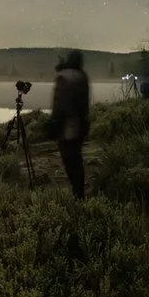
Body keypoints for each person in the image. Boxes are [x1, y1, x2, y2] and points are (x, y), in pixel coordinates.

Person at [50, 50, 92, 197]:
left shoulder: (63, 77)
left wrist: (54, 124)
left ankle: (77, 193)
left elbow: (59, 104)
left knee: (68, 159)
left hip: (66, 126)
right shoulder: (82, 76)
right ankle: (79, 191)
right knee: (76, 158)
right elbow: (84, 103)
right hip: (80, 124)